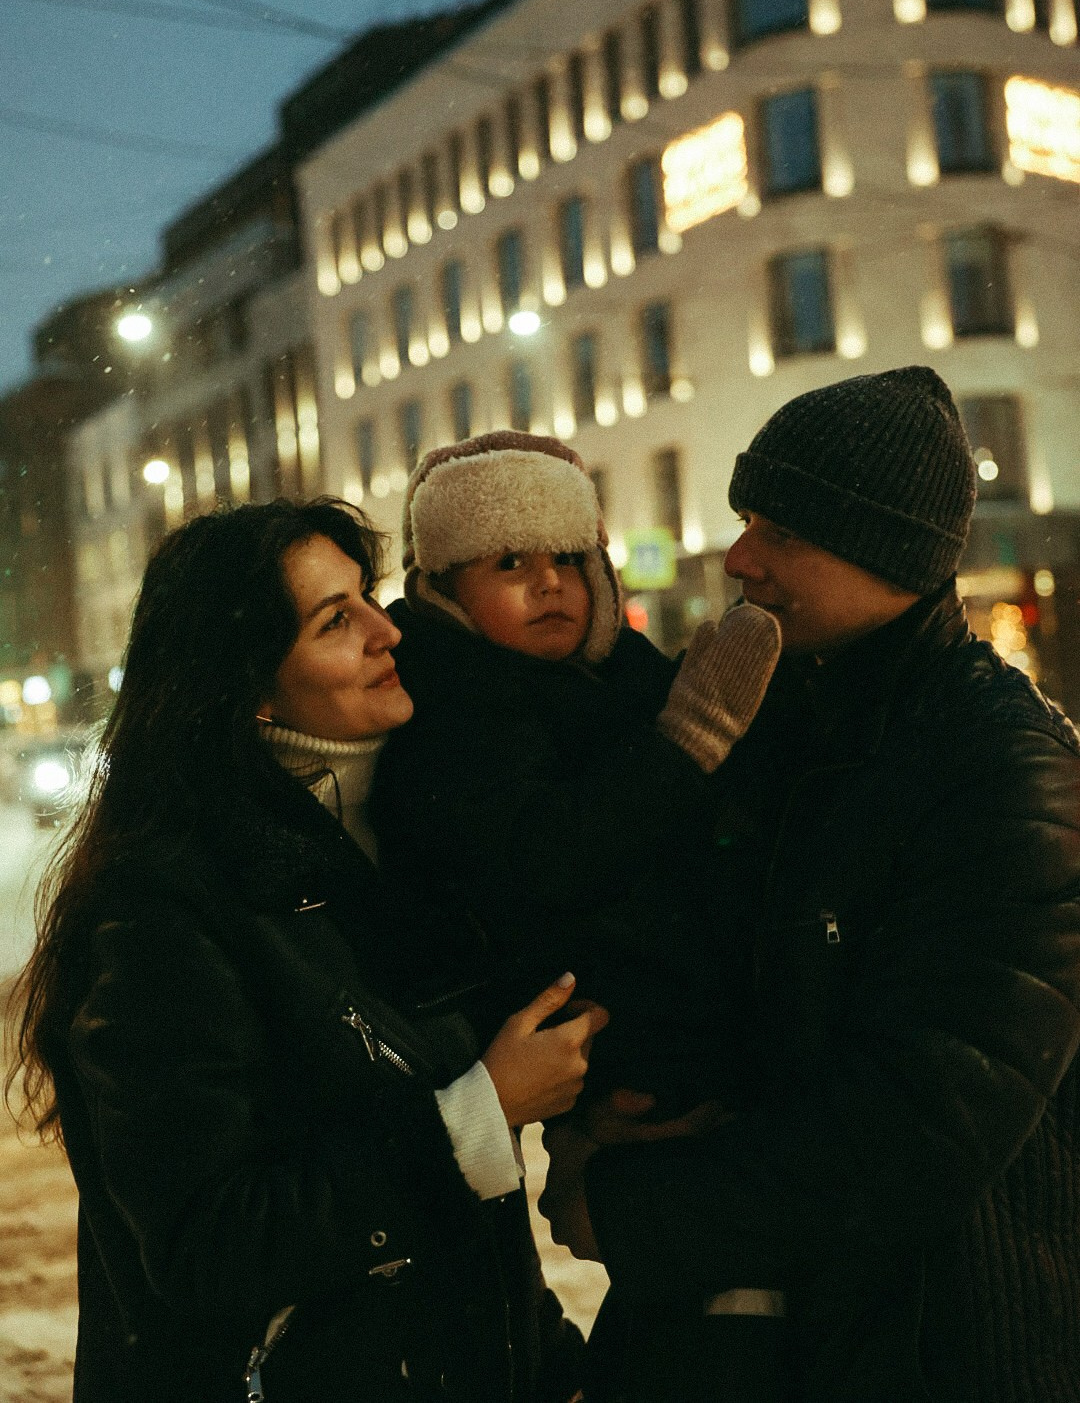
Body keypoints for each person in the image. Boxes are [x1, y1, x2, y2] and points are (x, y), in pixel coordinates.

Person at [542, 365, 1080, 1402]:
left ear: (886, 551)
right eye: (749, 520)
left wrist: (629, 1210)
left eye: (780, 532)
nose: (741, 556)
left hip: (933, 1343)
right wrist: (631, 1099)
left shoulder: (1008, 775)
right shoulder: (767, 725)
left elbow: (919, 1124)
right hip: (740, 1340)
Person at [6, 497, 606, 1403]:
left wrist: (542, 1359)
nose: (386, 630)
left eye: (368, 596)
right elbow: (206, 1243)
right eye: (336, 620)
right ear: (245, 682)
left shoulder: (411, 842)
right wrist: (477, 1116)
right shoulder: (169, 901)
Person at [368, 430, 788, 1401]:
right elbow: (545, 858)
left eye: (569, 558)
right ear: (441, 589)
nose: (548, 583)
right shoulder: (454, 708)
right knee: (710, 1283)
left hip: (661, 1023)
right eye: (507, 563)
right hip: (592, 1030)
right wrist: (690, 742)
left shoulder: (615, 673)